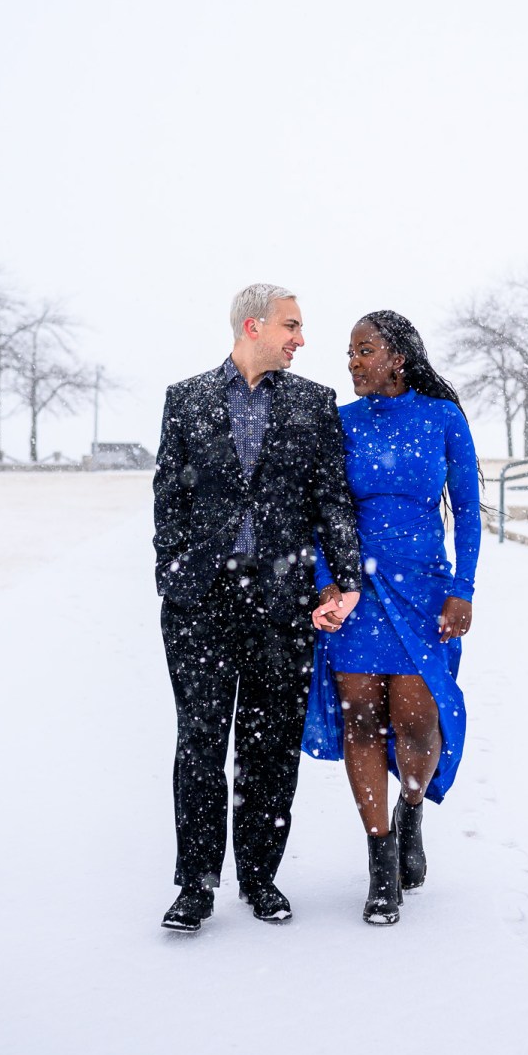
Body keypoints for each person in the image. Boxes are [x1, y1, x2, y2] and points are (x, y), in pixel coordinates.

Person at [153, 284, 362, 933]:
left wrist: (346, 580)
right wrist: (178, 582)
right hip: (200, 610)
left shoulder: (313, 403)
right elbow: (169, 506)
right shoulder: (185, 401)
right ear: (254, 325)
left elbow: (332, 501)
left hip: (281, 606)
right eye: (291, 326)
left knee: (270, 751)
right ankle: (195, 886)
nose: (301, 339)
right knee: (200, 746)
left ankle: (260, 878)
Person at [303, 310, 481, 924]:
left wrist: (464, 587)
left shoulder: (441, 418)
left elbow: (468, 509)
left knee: (416, 724)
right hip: (357, 596)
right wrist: (328, 585)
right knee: (360, 724)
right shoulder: (340, 423)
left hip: (425, 590)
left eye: (364, 350)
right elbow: (321, 511)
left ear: (397, 357)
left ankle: (411, 809)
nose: (352, 361)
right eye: (349, 352)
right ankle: (380, 864)